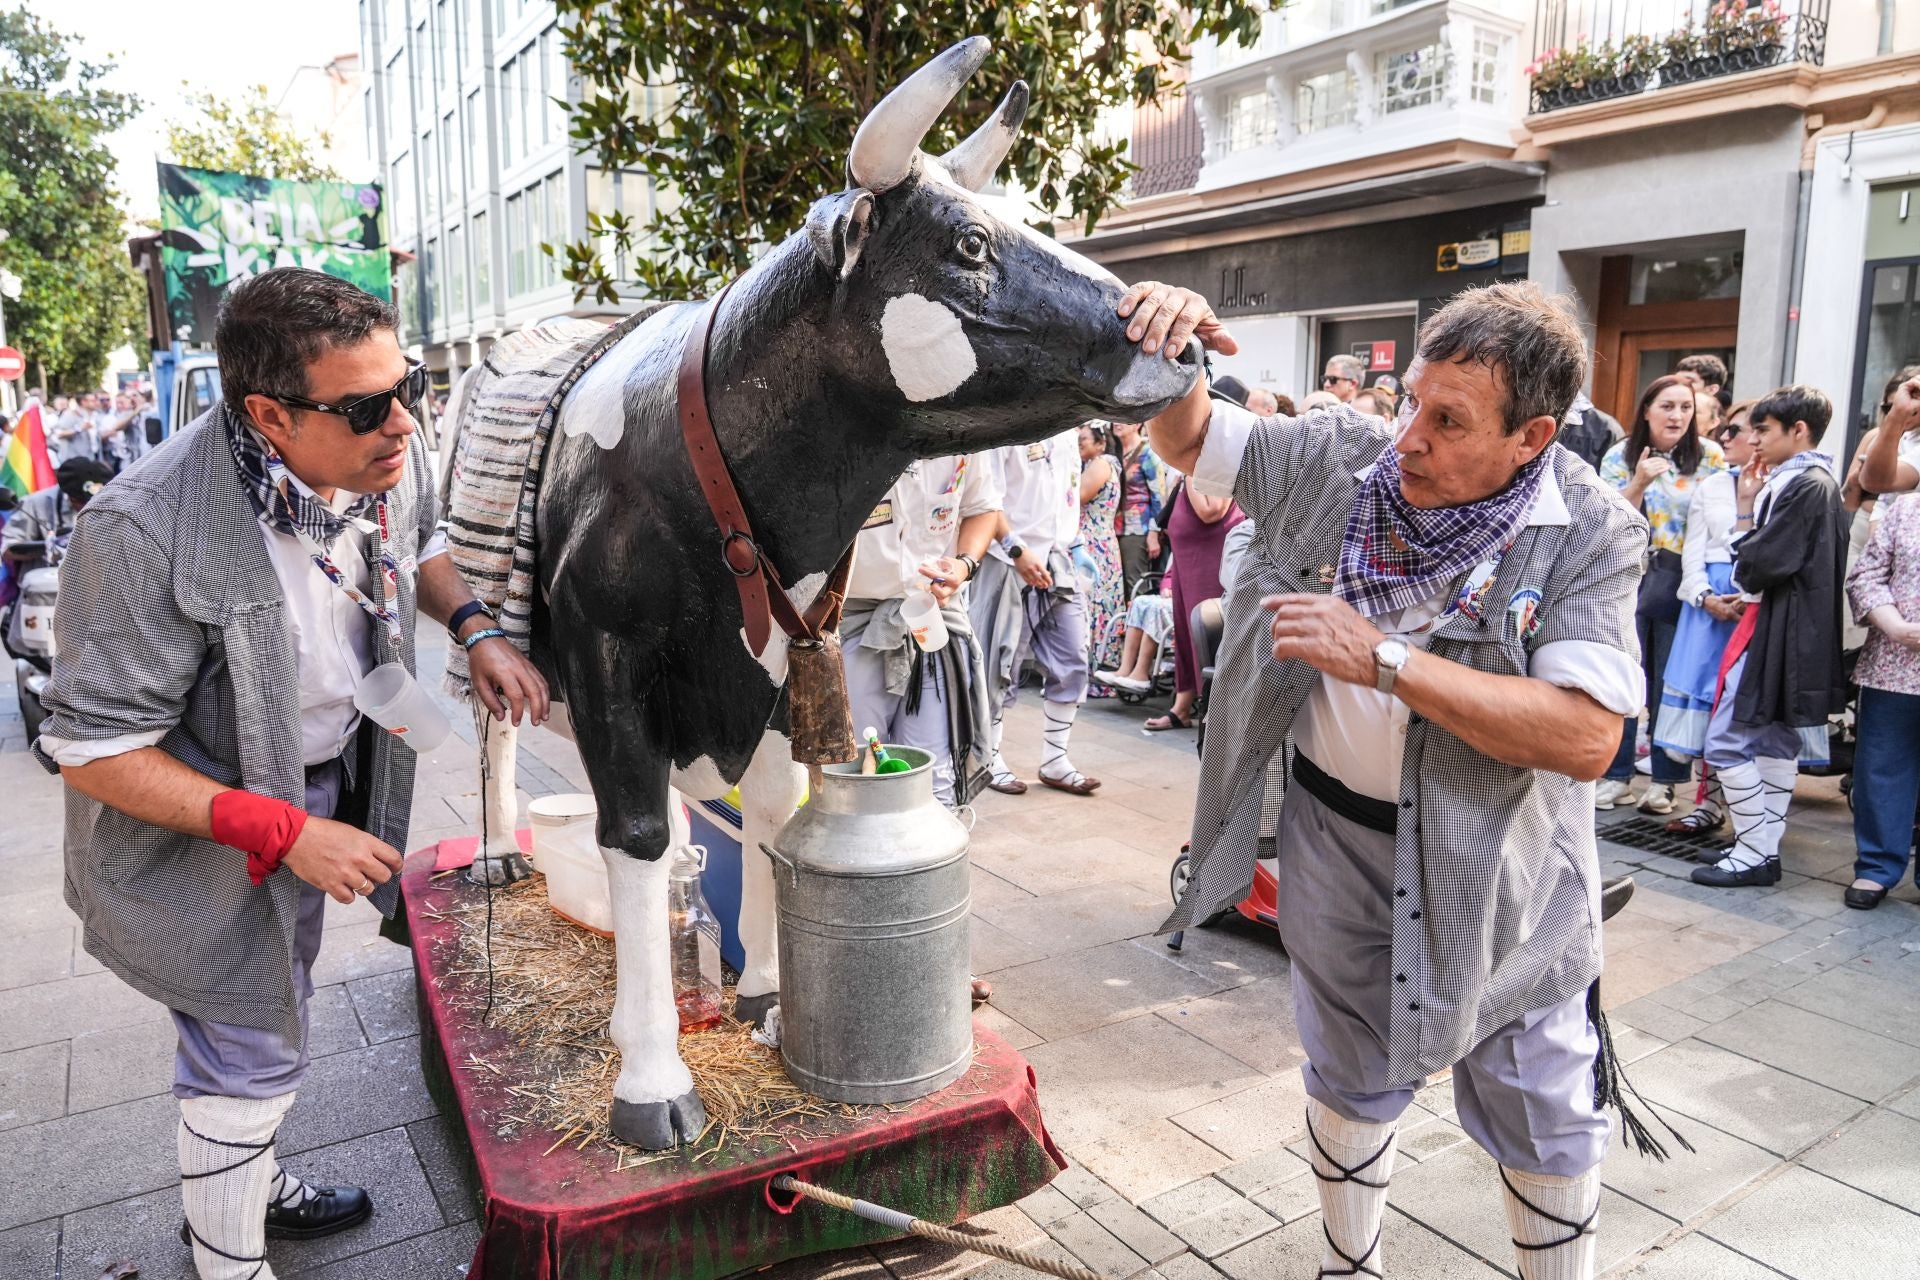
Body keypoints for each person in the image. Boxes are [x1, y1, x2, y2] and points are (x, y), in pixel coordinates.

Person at [34, 268, 548, 1280]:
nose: (403, 422)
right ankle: (228, 1259)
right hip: (204, 823)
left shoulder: (382, 454)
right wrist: (284, 832)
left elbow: (424, 541)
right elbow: (92, 751)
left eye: (408, 389)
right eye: (367, 406)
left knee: (277, 1005)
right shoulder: (144, 525)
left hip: (319, 784)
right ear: (269, 413)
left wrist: (477, 626)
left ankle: (245, 1175)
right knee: (249, 1040)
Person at [1130, 277, 1648, 1280]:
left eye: (1448, 420)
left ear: (1532, 436)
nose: (1408, 436)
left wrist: (1385, 659)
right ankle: (1347, 1265)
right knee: (1347, 1062)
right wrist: (1165, 350)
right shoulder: (1342, 457)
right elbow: (1190, 437)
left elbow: (1588, 737)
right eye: (1411, 398)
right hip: (1336, 840)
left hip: (1508, 859)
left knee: (1541, 1089)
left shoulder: (1592, 529)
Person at [1691, 386, 1848, 890]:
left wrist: (1745, 527)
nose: (1752, 439)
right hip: (1790, 625)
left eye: (1763, 429)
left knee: (1728, 737)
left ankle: (1755, 849)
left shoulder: (1804, 483)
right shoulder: (1813, 482)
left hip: (1777, 625)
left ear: (1797, 431)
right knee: (1776, 736)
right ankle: (1760, 849)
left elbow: (1763, 564)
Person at [839, 451, 1002, 806]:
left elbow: (983, 507)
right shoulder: (848, 430)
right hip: (854, 624)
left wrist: (964, 565)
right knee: (854, 769)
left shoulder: (964, 435)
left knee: (933, 772)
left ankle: (929, 855)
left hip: (932, 623)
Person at [1595, 376, 1727, 813]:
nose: (1677, 416)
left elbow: (1717, 526)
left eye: (1685, 408)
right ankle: (1616, 777)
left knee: (1670, 678)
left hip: (1680, 580)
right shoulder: (1621, 454)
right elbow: (1604, 521)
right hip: (1627, 580)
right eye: (1667, 406)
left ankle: (1665, 784)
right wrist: (1637, 483)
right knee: (1624, 675)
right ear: (1647, 409)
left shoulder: (1708, 457)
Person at [970, 428, 1101, 796]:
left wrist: (1075, 545)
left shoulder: (1069, 431)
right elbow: (987, 501)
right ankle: (988, 758)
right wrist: (1015, 549)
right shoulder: (1009, 427)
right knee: (999, 664)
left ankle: (1055, 759)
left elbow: (1066, 495)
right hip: (1007, 559)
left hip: (1057, 558)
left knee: (1073, 656)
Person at [1652, 406, 1762, 835]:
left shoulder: (1782, 486)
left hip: (1754, 606)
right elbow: (1692, 552)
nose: (1725, 436)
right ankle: (1708, 804)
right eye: (1725, 428)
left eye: (1737, 429)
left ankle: (1754, 822)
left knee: (1743, 710)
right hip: (1709, 611)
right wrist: (1703, 596)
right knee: (1704, 704)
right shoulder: (1714, 485)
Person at [1844, 466, 1920, 910]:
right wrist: (1893, 624)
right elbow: (1867, 575)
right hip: (1893, 664)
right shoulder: (1905, 508)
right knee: (1883, 768)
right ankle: (1876, 867)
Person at [1143, 477, 1243, 732]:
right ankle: (1182, 706)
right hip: (1188, 561)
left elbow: (1212, 511)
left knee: (1208, 634)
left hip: (1208, 559)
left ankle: (1215, 710)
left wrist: (1190, 474)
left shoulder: (1207, 469)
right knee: (1186, 634)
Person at [1075, 425, 1126, 696]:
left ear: (1101, 443)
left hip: (1095, 546)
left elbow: (1078, 496)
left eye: (1082, 439)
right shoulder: (1098, 463)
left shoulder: (1102, 464)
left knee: (1094, 606)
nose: (1077, 443)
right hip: (1096, 543)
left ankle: (1092, 674)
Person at [1, 457, 112, 559]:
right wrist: (51, 545)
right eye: (81, 502)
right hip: (46, 575)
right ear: (69, 495)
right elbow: (8, 549)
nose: (86, 507)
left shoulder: (109, 503)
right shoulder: (34, 503)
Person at [1112, 419, 1166, 587]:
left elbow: (1159, 496)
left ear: (1137, 424)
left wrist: (1153, 533)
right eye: (1113, 419)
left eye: (1122, 420)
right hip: (1114, 528)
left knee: (1134, 583)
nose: (1116, 423)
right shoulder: (1112, 452)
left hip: (1137, 530)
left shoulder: (1148, 453)